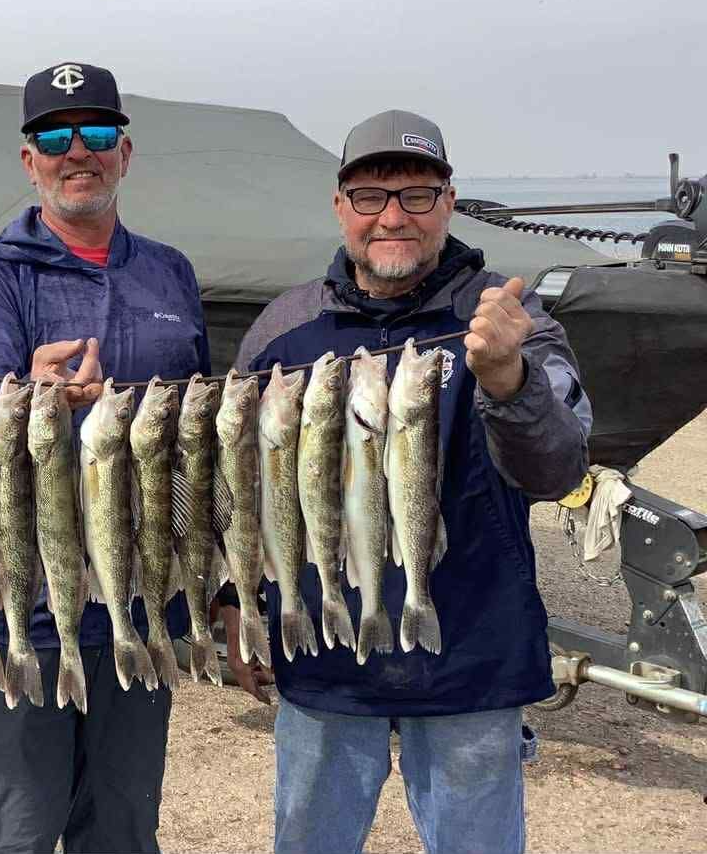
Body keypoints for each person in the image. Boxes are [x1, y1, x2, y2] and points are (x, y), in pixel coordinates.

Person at [231, 109, 591, 854]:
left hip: (471, 658)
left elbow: (558, 470)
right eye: (371, 196)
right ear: (341, 208)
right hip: (324, 659)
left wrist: (508, 379)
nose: (393, 216)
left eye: (417, 194)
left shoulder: (505, 319)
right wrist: (233, 606)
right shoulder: (283, 328)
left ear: (448, 202)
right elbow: (239, 489)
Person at [0, 61, 212, 853]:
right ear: (30, 161)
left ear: (124, 153)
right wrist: (27, 390)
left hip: (141, 603)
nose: (76, 152)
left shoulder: (171, 271)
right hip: (23, 600)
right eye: (54, 137)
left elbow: (200, 437)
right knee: (14, 830)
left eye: (95, 133)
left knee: (124, 828)